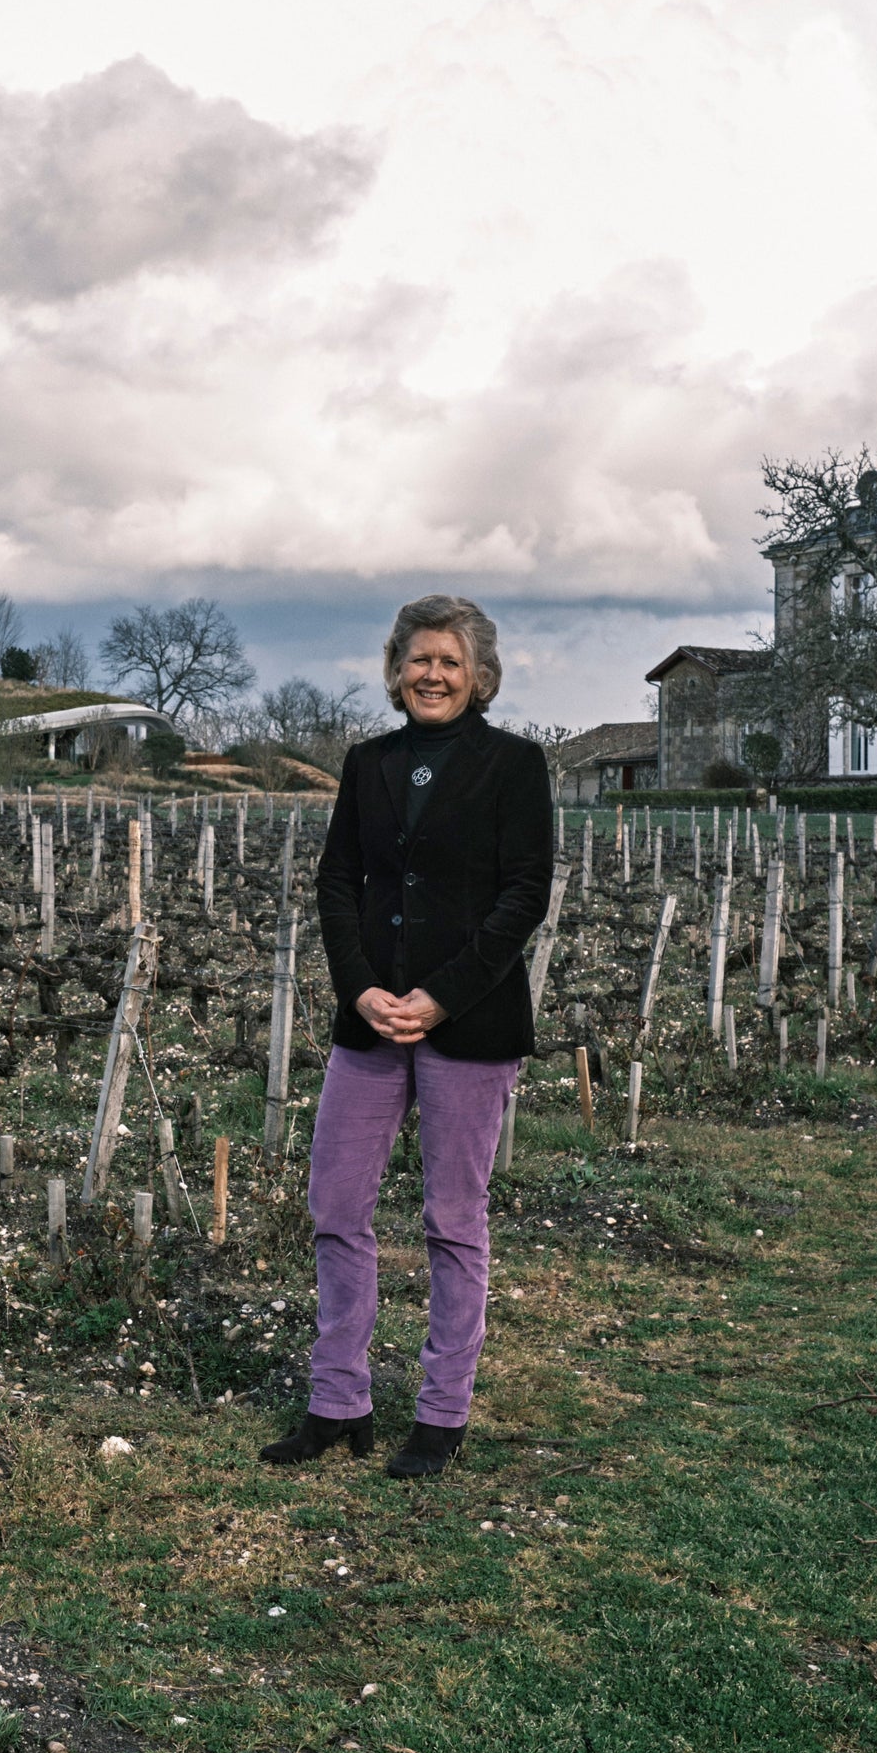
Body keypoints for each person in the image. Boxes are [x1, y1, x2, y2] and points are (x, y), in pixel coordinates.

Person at [259, 595, 553, 1478]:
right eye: (418, 660)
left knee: (453, 1221)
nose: (432, 675)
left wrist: (441, 995)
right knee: (337, 1207)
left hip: (469, 1025)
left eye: (450, 662)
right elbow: (338, 883)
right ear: (397, 671)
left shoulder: (513, 765)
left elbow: (523, 896)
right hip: (370, 1023)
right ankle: (337, 1401)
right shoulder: (368, 763)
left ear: (480, 677)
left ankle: (442, 1415)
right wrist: (365, 989)